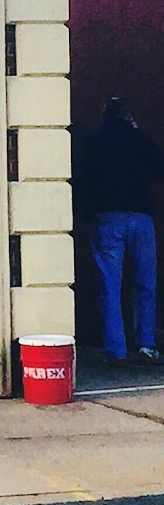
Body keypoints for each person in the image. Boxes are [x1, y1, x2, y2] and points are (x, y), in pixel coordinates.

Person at [86, 97, 164, 365]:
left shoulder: (96, 142)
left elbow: (84, 177)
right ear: (127, 115)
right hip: (141, 217)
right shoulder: (139, 138)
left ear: (104, 115)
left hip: (107, 217)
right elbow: (159, 168)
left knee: (110, 285)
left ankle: (116, 349)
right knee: (145, 283)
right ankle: (146, 345)